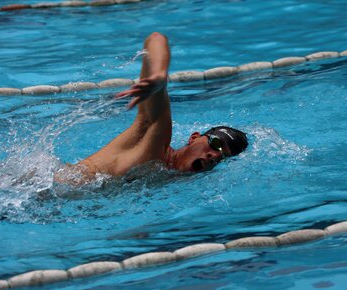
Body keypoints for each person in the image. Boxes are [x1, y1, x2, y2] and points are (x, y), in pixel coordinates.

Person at [59, 32, 248, 182]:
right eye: (215, 144)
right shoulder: (154, 141)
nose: (214, 155)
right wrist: (159, 78)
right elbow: (156, 38)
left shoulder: (167, 177)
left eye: (222, 157)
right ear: (194, 138)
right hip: (43, 190)